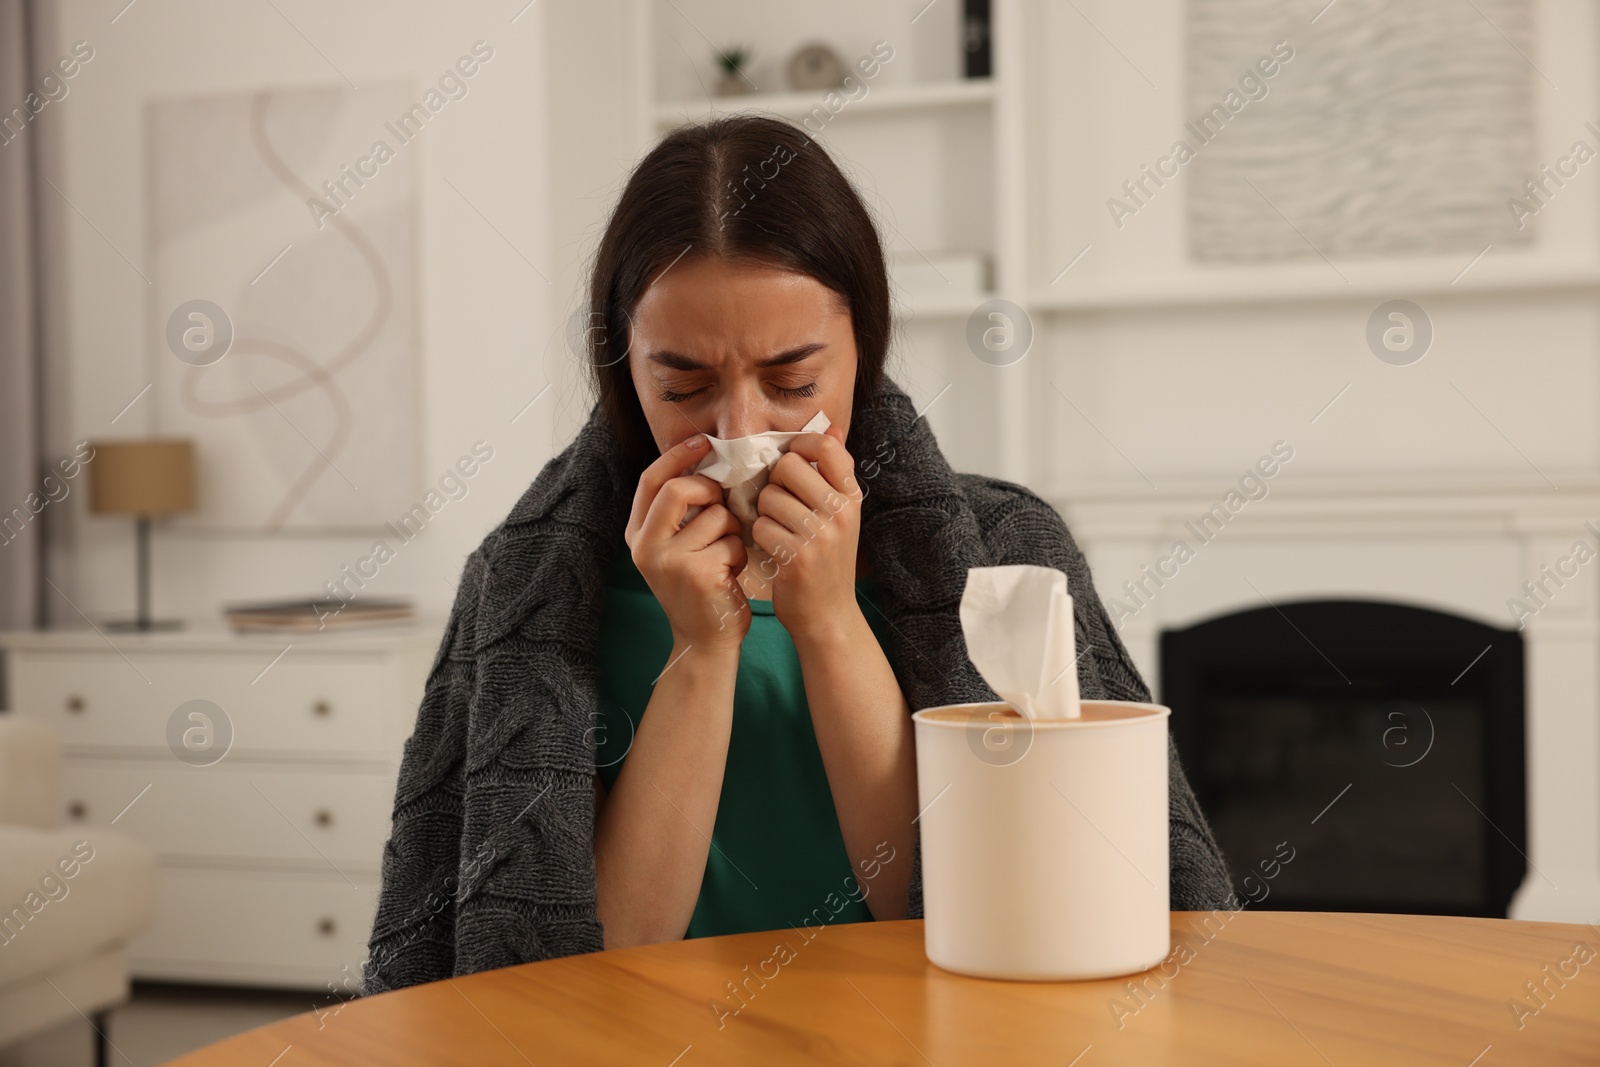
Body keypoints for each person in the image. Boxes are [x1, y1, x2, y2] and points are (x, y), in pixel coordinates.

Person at [362, 114, 1234, 995]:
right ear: (624, 368)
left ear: (866, 348)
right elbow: (587, 967)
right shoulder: (526, 587)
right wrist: (703, 651)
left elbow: (962, 913)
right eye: (683, 386)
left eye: (792, 383)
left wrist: (829, 622)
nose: (742, 432)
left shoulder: (1010, 557)